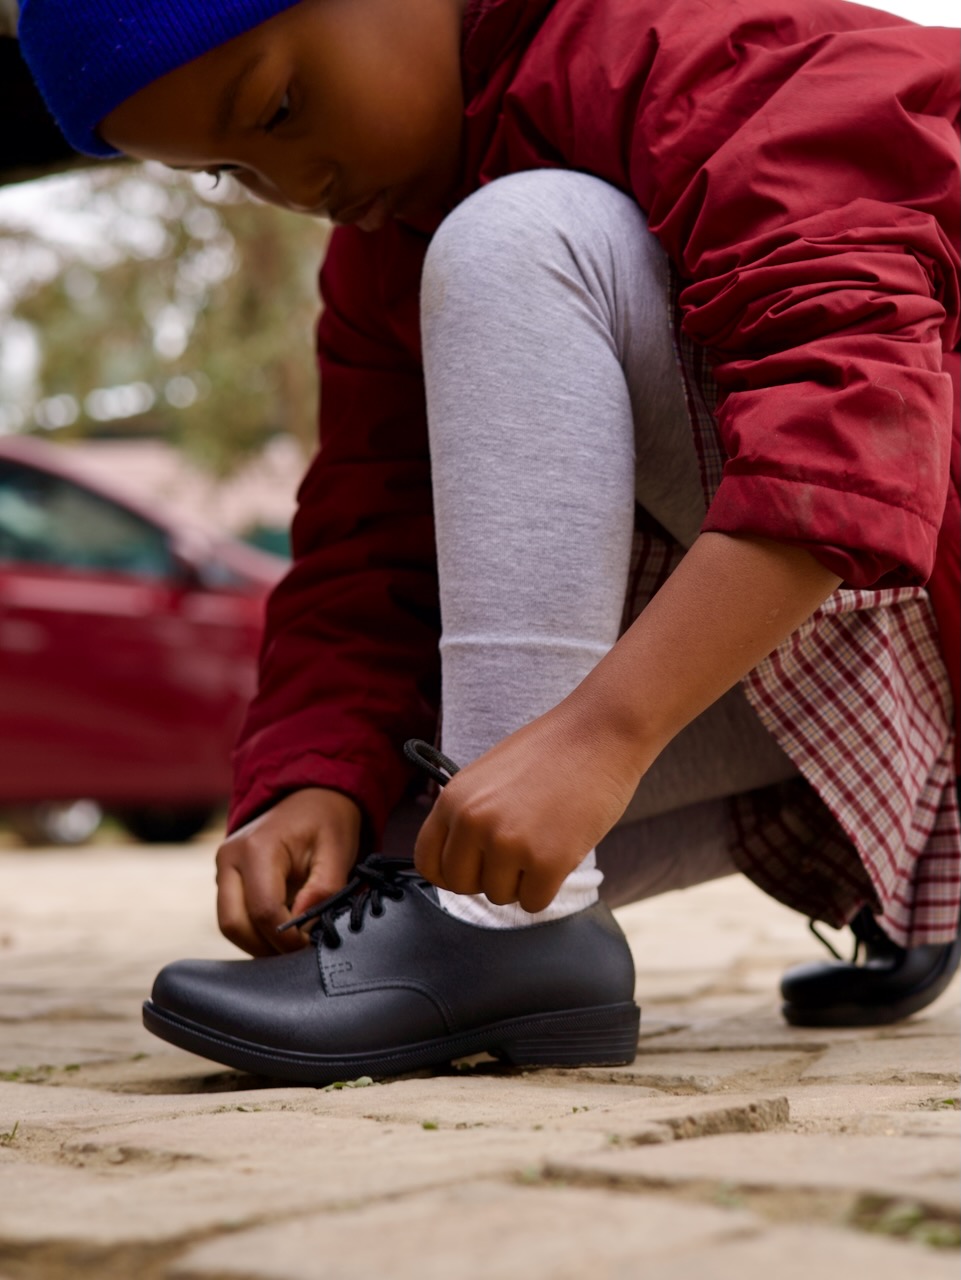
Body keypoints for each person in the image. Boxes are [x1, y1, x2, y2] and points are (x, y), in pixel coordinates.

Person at [19, 0, 960, 1085]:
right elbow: (366, 546)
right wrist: (309, 780)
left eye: (278, 109)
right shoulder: (382, 247)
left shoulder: (693, 40)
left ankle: (505, 936)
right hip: (862, 622)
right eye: (232, 172)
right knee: (382, 856)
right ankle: (518, 929)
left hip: (908, 558)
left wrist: (603, 735)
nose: (297, 186)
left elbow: (852, 426)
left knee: (519, 235)